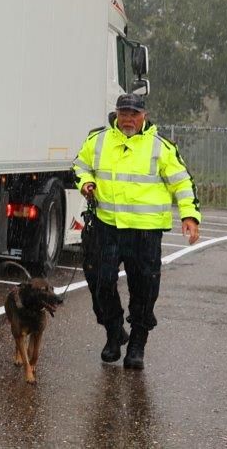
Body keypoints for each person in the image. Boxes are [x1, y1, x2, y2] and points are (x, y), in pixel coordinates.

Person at [72, 93, 201, 369]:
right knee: (100, 283)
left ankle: (137, 345)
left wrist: (189, 215)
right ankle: (113, 332)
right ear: (116, 114)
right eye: (124, 113)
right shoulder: (98, 140)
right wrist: (86, 182)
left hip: (145, 232)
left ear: (144, 116)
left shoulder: (161, 147)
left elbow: (182, 183)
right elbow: (79, 166)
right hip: (106, 226)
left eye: (134, 114)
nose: (128, 119)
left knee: (144, 290)